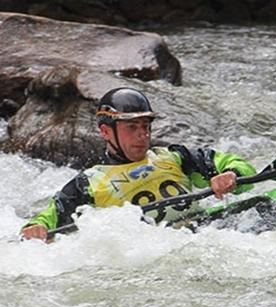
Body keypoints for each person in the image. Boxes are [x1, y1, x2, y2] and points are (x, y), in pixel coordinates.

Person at [21, 87, 256, 242]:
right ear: (106, 132)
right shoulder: (88, 184)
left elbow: (238, 166)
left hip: (205, 235)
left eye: (145, 126)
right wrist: (37, 227)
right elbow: (50, 217)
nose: (142, 135)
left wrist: (230, 174)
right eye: (132, 128)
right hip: (152, 251)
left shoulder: (174, 156)